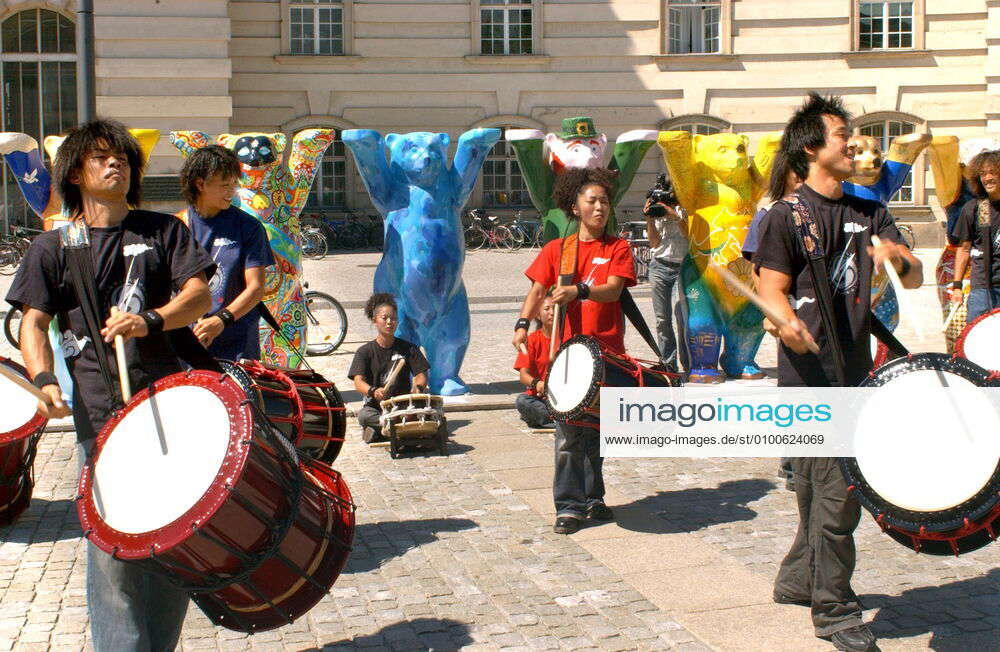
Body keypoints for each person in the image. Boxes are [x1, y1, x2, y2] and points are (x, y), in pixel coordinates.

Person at [6, 119, 215, 651]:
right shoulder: (55, 247)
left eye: (122, 157)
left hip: (170, 408)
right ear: (76, 171)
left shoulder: (165, 230)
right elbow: (33, 322)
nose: (115, 163)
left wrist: (150, 320)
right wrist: (45, 378)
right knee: (113, 557)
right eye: (100, 157)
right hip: (100, 419)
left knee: (173, 548)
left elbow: (198, 297)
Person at [753, 94, 921, 652]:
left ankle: (800, 580)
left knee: (821, 492)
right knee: (834, 493)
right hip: (806, 379)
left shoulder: (868, 211)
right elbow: (770, 292)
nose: (854, 142)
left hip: (852, 372)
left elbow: (915, 275)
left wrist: (896, 259)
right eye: (842, 134)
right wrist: (784, 328)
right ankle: (837, 614)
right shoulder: (784, 216)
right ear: (810, 148)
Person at [512, 167, 636, 535]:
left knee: (598, 432)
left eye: (605, 201)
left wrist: (579, 291)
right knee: (568, 436)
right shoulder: (558, 250)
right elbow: (536, 292)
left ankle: (593, 496)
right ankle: (568, 506)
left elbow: (613, 290)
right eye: (592, 201)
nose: (600, 207)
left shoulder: (618, 247)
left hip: (607, 355)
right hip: (566, 359)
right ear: (575, 207)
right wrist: (521, 324)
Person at [177, 145, 274, 361]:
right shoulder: (177, 226)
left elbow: (256, 288)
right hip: (188, 344)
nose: (232, 191)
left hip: (237, 346)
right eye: (224, 185)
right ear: (200, 184)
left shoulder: (248, 227)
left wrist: (221, 320)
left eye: (234, 184)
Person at [349, 293, 430, 443]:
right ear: (375, 320)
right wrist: (373, 391)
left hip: (404, 405)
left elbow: (421, 374)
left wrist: (417, 388)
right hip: (378, 407)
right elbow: (358, 382)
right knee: (364, 416)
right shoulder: (364, 351)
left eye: (393, 318)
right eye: (384, 318)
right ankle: (401, 428)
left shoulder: (408, 348)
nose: (389, 322)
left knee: (428, 409)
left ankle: (383, 430)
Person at [950, 149, 1000, 322]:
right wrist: (957, 287)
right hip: (983, 287)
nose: (987, 178)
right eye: (983, 174)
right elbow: (964, 250)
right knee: (978, 340)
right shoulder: (975, 208)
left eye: (993, 172)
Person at [643, 175, 686, 368]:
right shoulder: (657, 208)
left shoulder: (686, 208)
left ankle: (689, 364)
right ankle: (669, 366)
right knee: (662, 320)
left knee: (682, 317)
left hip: (683, 268)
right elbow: (654, 243)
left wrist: (676, 217)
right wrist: (649, 220)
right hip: (659, 266)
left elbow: (692, 235)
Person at [514, 292, 555, 428]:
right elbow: (523, 375)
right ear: (537, 314)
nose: (552, 313)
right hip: (540, 398)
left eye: (555, 309)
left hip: (563, 397)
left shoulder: (568, 338)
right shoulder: (531, 340)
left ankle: (551, 420)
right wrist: (538, 384)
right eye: (547, 309)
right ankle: (553, 420)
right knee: (522, 401)